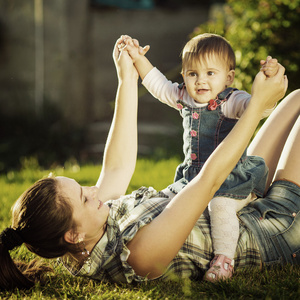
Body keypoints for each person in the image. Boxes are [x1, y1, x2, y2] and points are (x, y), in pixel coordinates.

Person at [0, 36, 294, 292]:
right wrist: (255, 107)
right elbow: (208, 182)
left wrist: (127, 78)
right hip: (269, 228)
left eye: (82, 186)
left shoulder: (84, 236)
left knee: (294, 99)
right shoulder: (138, 256)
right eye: (84, 197)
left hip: (238, 194)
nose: (93, 190)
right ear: (73, 235)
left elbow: (116, 168)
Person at [118, 33, 279, 281]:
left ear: (229, 77)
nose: (200, 81)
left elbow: (259, 108)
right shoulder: (184, 96)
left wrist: (269, 84)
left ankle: (224, 260)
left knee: (220, 207)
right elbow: (157, 84)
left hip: (229, 181)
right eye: (193, 74)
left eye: (210, 74)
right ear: (183, 76)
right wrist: (138, 58)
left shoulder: (231, 101)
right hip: (193, 179)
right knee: (168, 200)